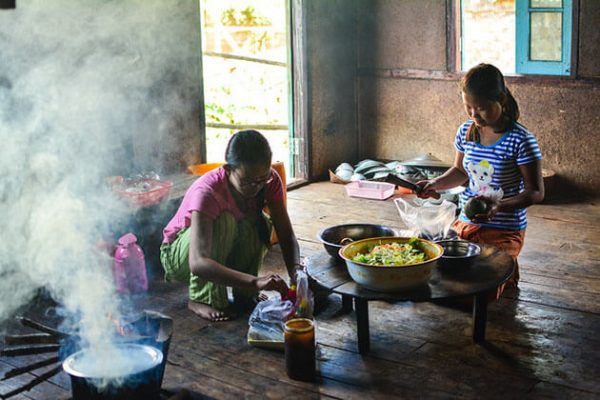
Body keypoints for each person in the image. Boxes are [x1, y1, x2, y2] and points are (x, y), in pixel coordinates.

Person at [416, 63, 544, 300]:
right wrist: (435, 184)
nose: (474, 115)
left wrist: (499, 206)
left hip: (505, 228)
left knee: (480, 291)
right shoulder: (467, 131)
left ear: (501, 99)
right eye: (468, 107)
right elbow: (460, 171)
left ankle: (507, 271)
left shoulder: (521, 140)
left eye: (481, 108)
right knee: (434, 270)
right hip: (467, 222)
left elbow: (535, 192)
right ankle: (500, 271)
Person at [160, 130, 302, 321]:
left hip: (219, 252)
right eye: (247, 181)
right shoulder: (209, 191)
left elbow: (285, 234)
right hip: (182, 258)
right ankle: (202, 298)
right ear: (228, 170)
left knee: (262, 222)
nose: (256, 186)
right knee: (224, 221)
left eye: (262, 179)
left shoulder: (270, 181)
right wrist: (255, 281)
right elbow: (199, 262)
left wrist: (296, 274)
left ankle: (244, 293)